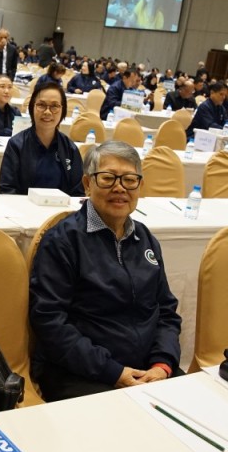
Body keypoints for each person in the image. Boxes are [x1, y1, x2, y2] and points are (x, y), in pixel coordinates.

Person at [29, 141, 182, 401]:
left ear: (139, 186)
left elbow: (166, 312)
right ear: (87, 184)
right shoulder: (63, 241)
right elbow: (50, 322)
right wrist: (113, 371)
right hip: (82, 372)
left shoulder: (145, 239)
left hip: (148, 369)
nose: (120, 188)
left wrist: (162, 364)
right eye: (108, 178)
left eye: (129, 180)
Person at [0, 81, 83, 195]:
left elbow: (77, 193)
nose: (47, 112)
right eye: (41, 105)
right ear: (32, 108)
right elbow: (7, 190)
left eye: (54, 106)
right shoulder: (16, 144)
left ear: (63, 110)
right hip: (22, 206)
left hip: (60, 207)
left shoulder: (70, 148)